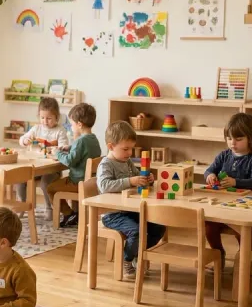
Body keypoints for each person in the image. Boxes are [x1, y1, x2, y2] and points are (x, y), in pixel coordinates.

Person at [97, 121, 166, 280]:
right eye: (125, 149)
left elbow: (137, 178)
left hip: (129, 210)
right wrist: (132, 181)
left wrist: (147, 179)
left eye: (131, 149)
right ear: (111, 146)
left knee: (159, 227)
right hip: (112, 214)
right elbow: (104, 185)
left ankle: (135, 253)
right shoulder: (106, 164)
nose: (129, 153)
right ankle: (126, 259)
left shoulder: (127, 161)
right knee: (136, 231)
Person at [203, 113, 252, 270]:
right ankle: (218, 254)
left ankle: (244, 258)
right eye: (229, 138)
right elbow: (209, 170)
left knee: (243, 231)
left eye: (238, 139)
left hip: (244, 208)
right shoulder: (224, 156)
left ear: (249, 138)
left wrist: (236, 182)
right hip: (221, 207)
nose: (232, 143)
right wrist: (210, 175)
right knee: (208, 226)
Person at [46, 103, 102, 227]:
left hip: (77, 182)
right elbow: (84, 151)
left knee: (50, 188)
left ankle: (68, 213)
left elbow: (70, 161)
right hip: (90, 182)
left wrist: (58, 153)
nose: (71, 127)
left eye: (72, 124)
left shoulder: (80, 141)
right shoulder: (93, 139)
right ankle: (73, 214)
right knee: (56, 184)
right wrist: (69, 147)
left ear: (79, 124)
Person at [16, 97, 70, 221]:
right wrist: (25, 140)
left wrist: (56, 149)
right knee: (20, 178)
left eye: (49, 118)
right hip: (35, 167)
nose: (45, 121)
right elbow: (22, 139)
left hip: (52, 169)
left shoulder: (60, 131)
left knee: (45, 183)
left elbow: (64, 148)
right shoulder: (36, 129)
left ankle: (49, 207)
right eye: (42, 118)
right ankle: (22, 206)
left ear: (57, 117)